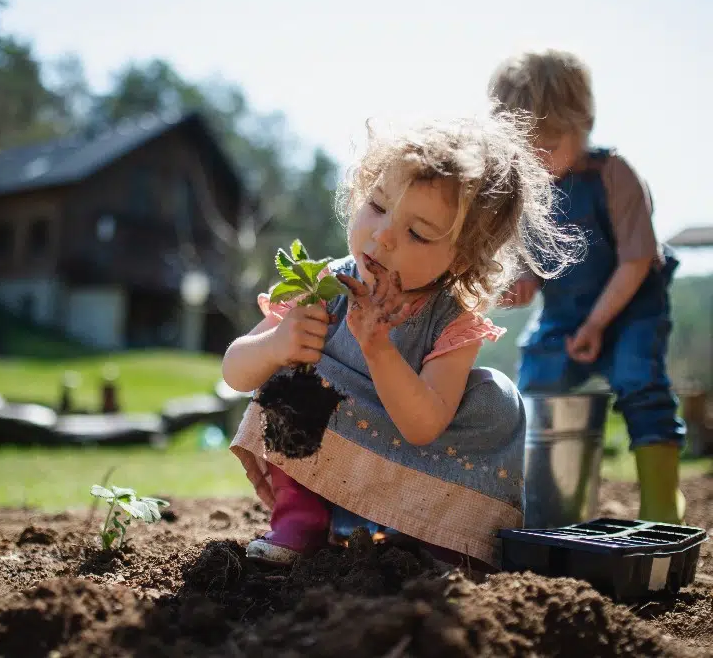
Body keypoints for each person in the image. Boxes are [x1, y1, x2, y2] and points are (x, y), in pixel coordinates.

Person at [223, 112, 579, 569]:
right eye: (376, 204)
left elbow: (423, 425)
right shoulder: (321, 285)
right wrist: (275, 345)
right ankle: (302, 520)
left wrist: (378, 348)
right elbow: (235, 371)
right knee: (288, 374)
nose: (384, 235)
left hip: (415, 454)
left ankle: (439, 537)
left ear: (463, 257)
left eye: (417, 233)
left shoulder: (451, 322)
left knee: (498, 399)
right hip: (332, 443)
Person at [489, 49, 686, 524]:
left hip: (629, 308)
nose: (538, 159)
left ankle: (663, 502)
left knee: (642, 383)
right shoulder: (530, 193)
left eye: (550, 143)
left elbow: (637, 260)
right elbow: (531, 273)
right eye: (525, 150)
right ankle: (542, 505)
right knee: (535, 386)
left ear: (584, 124)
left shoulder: (614, 175)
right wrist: (513, 289)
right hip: (563, 313)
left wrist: (597, 323)